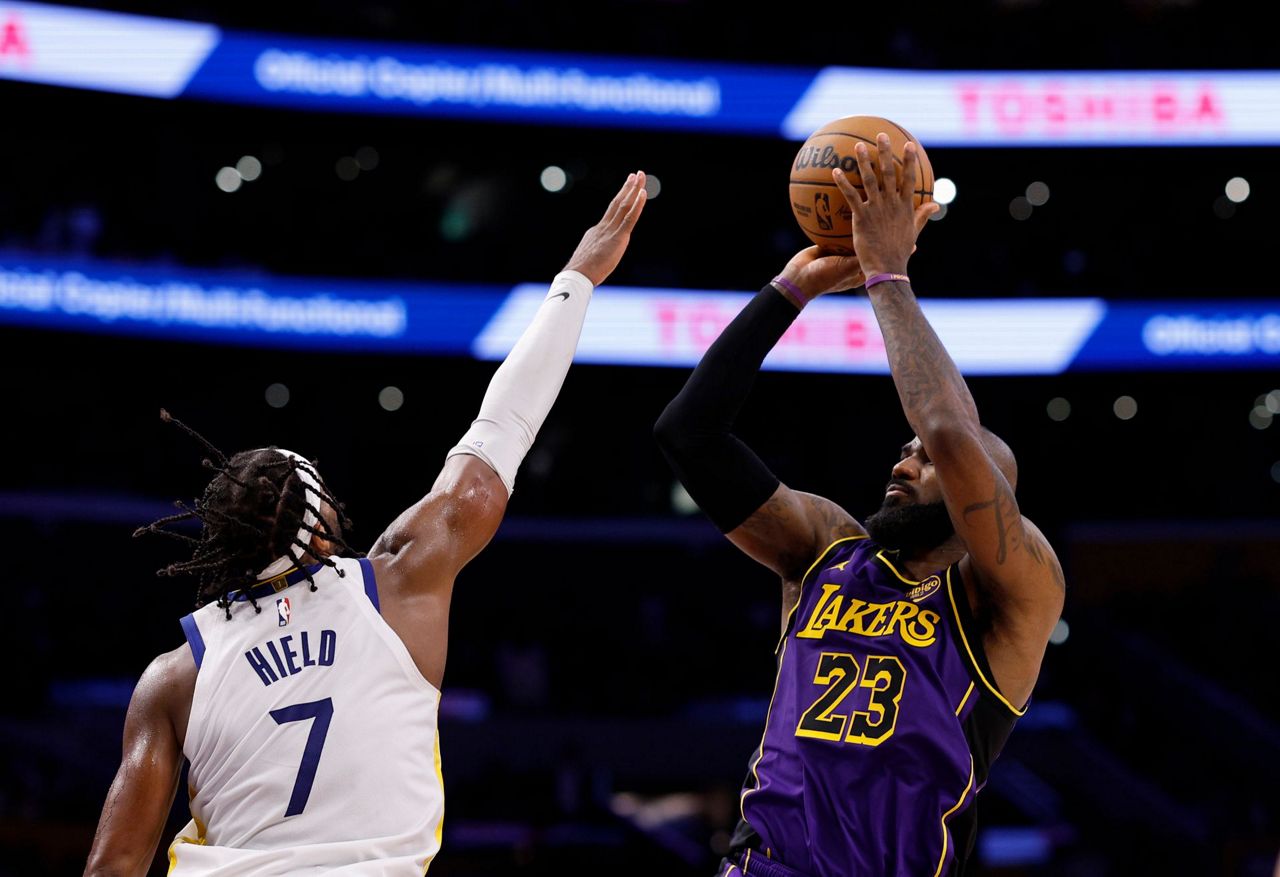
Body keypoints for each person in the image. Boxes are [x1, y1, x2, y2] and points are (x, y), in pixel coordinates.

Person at [83, 172, 648, 876]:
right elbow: (500, 428)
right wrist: (577, 280)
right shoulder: (400, 581)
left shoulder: (176, 677)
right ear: (323, 526)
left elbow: (113, 866)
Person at [654, 136, 1064, 877]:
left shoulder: (1010, 592)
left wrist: (888, 274)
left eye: (928, 461)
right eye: (905, 450)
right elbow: (689, 434)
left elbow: (949, 430)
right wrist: (788, 291)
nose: (905, 461)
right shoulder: (826, 550)